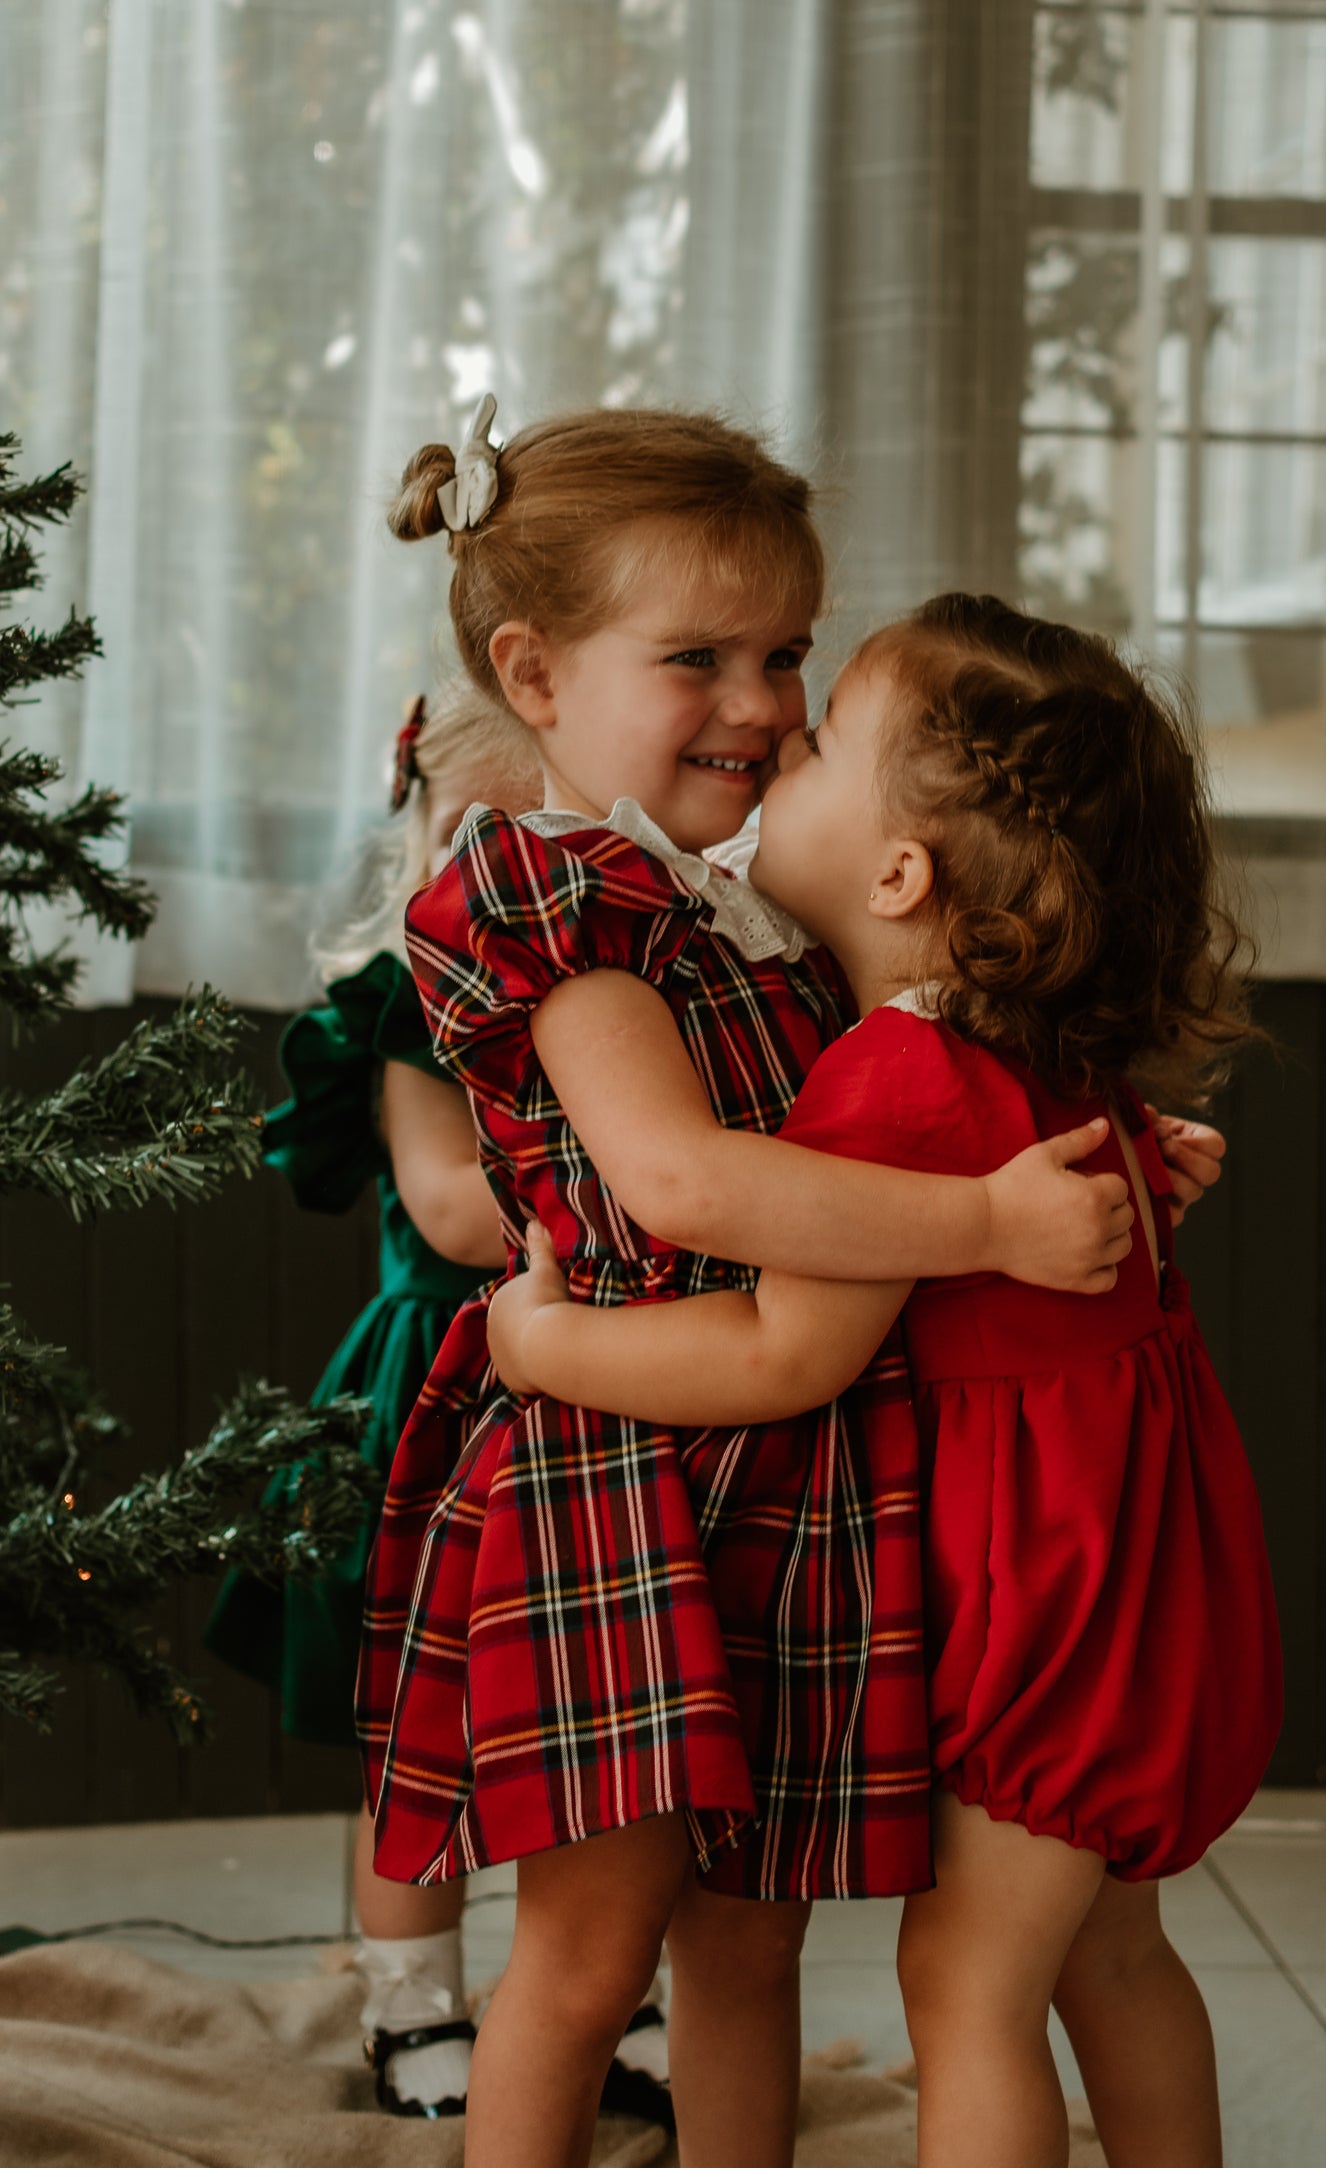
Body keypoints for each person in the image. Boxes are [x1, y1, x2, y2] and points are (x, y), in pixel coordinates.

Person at [357, 405, 1221, 2168]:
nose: (761, 704)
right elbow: (676, 1177)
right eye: (698, 660)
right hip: (625, 1453)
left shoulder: (751, 898)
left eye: (785, 659)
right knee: (589, 1956)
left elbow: (923, 1065)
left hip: (804, 1489)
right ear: (534, 672)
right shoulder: (561, 908)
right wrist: (985, 1228)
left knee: (748, 1942)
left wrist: (1094, 1144)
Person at [205, 686, 536, 2119]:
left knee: (603, 1724)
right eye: (475, 834)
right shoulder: (419, 990)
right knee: (427, 1728)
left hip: (592, 1386)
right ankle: (412, 2007)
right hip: (441, 1394)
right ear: (422, 833)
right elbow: (454, 1209)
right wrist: (641, 1192)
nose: (503, 872)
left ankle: (618, 1995)